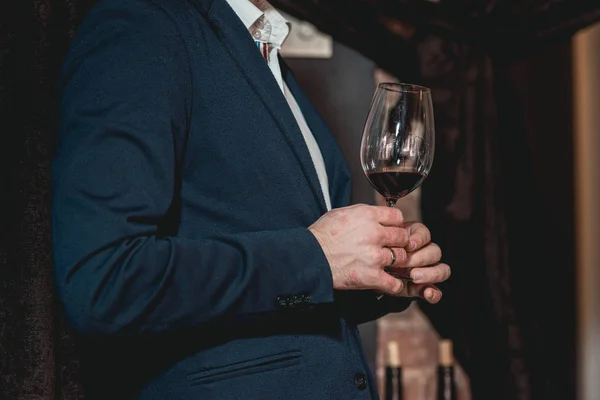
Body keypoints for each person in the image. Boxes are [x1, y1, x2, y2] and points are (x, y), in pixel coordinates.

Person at [51, 0, 451, 398]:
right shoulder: (141, 25)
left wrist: (376, 273)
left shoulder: (259, 47)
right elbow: (105, 282)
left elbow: (278, 289)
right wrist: (318, 258)